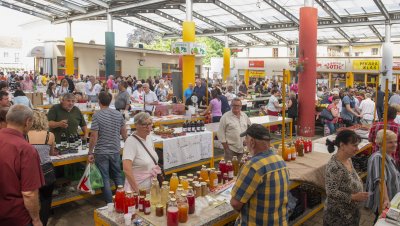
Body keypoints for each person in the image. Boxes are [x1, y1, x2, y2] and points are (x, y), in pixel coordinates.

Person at [230, 124, 289, 225]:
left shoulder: (253, 166)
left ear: (252, 142)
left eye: (246, 139)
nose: (245, 142)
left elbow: (235, 203)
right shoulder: (280, 160)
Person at [0, 105, 44, 226]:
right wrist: (36, 219)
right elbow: (29, 193)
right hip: (16, 217)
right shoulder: (26, 149)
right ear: (27, 121)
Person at [88, 92, 128, 204]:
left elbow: (94, 136)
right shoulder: (118, 114)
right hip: (115, 149)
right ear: (110, 101)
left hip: (101, 152)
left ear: (99, 101)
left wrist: (90, 152)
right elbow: (124, 132)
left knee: (104, 178)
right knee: (117, 175)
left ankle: (110, 204)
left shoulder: (97, 115)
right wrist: (128, 146)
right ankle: (122, 200)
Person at [324, 130, 368, 226]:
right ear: (342, 145)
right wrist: (354, 197)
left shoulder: (348, 159)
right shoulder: (334, 167)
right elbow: (331, 192)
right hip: (339, 217)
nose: (357, 148)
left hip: (351, 214)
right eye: (354, 145)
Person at [27, 110, 57, 226]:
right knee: (46, 200)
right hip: (46, 170)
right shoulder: (50, 135)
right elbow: (51, 152)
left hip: (30, 171)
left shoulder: (25, 135)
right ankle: (43, 223)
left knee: (30, 198)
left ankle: (32, 221)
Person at [366, 129, 400, 222]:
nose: (394, 145)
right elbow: (380, 181)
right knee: (380, 220)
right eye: (390, 142)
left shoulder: (388, 155)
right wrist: (385, 199)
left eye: (395, 142)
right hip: (382, 200)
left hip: (392, 197)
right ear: (380, 144)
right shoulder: (378, 157)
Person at [123, 112, 161, 192]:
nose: (148, 127)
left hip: (151, 188)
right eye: (144, 124)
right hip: (138, 189)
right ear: (136, 125)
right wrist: (137, 191)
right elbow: (126, 169)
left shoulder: (149, 138)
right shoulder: (131, 142)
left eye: (150, 124)